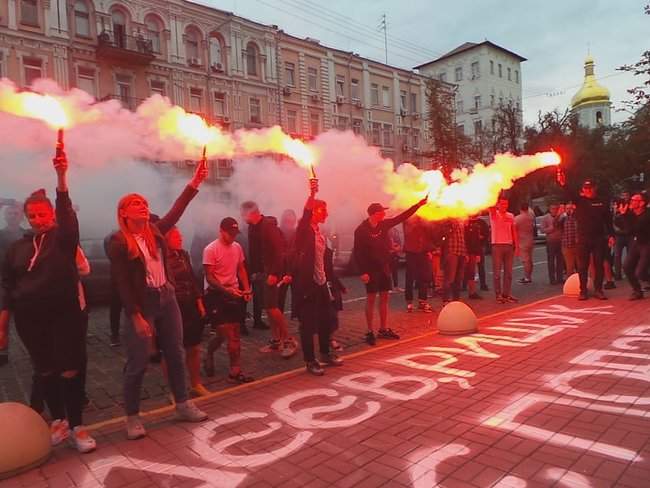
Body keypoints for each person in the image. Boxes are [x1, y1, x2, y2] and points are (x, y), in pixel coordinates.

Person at [0, 150, 96, 453]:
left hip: (65, 315)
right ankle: (58, 421)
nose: (38, 220)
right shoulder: (16, 248)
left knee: (69, 368)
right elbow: (6, 285)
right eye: (33, 216)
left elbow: (68, 220)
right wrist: (3, 322)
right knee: (45, 370)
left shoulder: (63, 240)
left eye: (43, 214)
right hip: (30, 319)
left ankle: (78, 425)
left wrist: (61, 178)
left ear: (52, 215)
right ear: (27, 218)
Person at [107, 160, 209, 441]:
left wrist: (195, 182)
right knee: (137, 361)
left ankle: (183, 404)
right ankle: (132, 417)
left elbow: (177, 209)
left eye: (144, 202)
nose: (142, 205)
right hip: (143, 304)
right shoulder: (118, 241)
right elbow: (122, 283)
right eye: (135, 203)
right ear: (123, 213)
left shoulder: (156, 232)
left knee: (175, 353)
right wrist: (136, 315)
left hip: (167, 297)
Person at [354, 197, 427, 345]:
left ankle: (383, 328)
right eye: (381, 212)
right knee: (371, 299)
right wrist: (362, 272)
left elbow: (402, 217)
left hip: (383, 267)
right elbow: (357, 252)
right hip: (370, 269)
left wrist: (418, 205)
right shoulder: (361, 230)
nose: (384, 214)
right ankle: (369, 331)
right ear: (374, 214)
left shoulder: (384, 225)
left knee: (384, 298)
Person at [292, 179, 343, 375]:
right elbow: (305, 217)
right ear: (314, 211)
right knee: (308, 324)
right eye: (323, 210)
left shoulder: (319, 233)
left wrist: (333, 282)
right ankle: (310, 360)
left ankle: (324, 354)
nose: (327, 214)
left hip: (321, 284)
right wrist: (312, 195)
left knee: (326, 320)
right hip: (307, 285)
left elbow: (323, 261)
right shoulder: (304, 231)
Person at [202, 218, 255, 383]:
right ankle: (209, 353)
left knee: (235, 333)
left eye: (235, 234)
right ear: (221, 231)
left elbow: (241, 269)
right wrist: (226, 290)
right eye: (229, 233)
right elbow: (209, 277)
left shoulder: (237, 247)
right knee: (222, 333)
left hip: (233, 292)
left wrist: (246, 288)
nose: (233, 237)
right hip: (216, 294)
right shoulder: (211, 249)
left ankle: (235, 371)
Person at [240, 201, 295, 358]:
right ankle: (276, 340)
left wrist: (274, 273)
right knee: (268, 307)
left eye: (244, 214)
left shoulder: (268, 226)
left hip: (272, 273)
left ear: (252, 213)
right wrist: (254, 272)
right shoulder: (253, 228)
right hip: (262, 273)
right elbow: (255, 252)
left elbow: (278, 251)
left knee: (272, 307)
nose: (242, 217)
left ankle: (289, 340)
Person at [163, 226, 209, 397]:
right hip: (173, 305)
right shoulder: (161, 258)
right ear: (166, 238)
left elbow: (192, 278)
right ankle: (175, 392)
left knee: (194, 347)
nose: (180, 238)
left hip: (190, 304)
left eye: (180, 234)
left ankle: (196, 384)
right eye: (176, 235)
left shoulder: (183, 254)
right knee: (172, 351)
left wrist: (199, 302)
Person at [557, 173, 615, 300]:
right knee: (582, 266)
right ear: (583, 190)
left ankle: (598, 290)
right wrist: (563, 183)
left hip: (599, 238)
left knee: (598, 264)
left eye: (590, 188)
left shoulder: (602, 201)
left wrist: (611, 235)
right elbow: (569, 193)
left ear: (595, 188)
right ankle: (583, 291)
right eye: (585, 188)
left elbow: (608, 220)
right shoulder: (580, 200)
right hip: (583, 238)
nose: (587, 190)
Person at [0, 202, 27, 366]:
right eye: (9, 213)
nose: (12, 216)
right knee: (3, 319)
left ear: (20, 216)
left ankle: (36, 349)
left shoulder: (26, 235)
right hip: (3, 281)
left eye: (15, 213)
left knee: (28, 318)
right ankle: (2, 351)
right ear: (4, 216)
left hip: (23, 281)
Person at [618, 193, 650, 300]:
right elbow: (622, 225)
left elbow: (631, 229)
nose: (631, 201)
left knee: (640, 272)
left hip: (646, 244)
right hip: (636, 243)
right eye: (631, 199)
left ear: (642, 203)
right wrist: (622, 215)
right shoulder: (632, 214)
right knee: (627, 267)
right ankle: (637, 290)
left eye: (634, 200)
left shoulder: (646, 215)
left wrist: (624, 215)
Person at [488, 196, 519, 303]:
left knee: (509, 272)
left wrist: (517, 246)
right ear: (497, 205)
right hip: (497, 245)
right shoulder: (494, 214)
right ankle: (498, 295)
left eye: (506, 204)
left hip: (509, 246)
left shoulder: (511, 216)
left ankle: (506, 294)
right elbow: (490, 206)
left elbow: (514, 231)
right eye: (502, 204)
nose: (504, 206)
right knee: (497, 273)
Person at [403, 216, 433, 313]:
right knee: (410, 277)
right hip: (411, 251)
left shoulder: (424, 218)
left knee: (424, 277)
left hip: (423, 251)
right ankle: (409, 302)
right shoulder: (408, 218)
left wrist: (428, 250)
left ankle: (422, 301)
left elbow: (427, 234)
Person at [278, 209, 297, 315]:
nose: (290, 220)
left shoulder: (296, 232)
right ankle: (279, 318)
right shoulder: (279, 231)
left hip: (294, 268)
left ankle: (296, 315)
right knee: (280, 297)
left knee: (296, 296)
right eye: (288, 217)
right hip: (283, 268)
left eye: (292, 217)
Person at [540, 203, 564, 284]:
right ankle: (552, 279)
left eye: (556, 209)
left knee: (560, 260)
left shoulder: (561, 217)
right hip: (551, 241)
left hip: (560, 241)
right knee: (551, 261)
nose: (554, 210)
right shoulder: (545, 217)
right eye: (552, 209)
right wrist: (551, 228)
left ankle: (560, 278)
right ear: (550, 209)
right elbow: (542, 229)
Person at [464, 215, 487, 299]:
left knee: (471, 272)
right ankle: (466, 291)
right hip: (465, 251)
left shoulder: (476, 225)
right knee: (466, 272)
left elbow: (476, 240)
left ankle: (472, 291)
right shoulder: (466, 225)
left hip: (471, 251)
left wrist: (477, 253)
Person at [514, 203, 535, 284]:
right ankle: (529, 276)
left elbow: (514, 229)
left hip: (522, 241)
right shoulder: (531, 217)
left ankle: (527, 278)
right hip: (530, 239)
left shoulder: (517, 218)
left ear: (520, 209)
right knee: (530, 260)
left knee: (525, 261)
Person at [614, 192, 631, 280]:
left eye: (626, 195)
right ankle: (617, 274)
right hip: (619, 234)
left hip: (629, 234)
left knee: (631, 255)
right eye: (623, 195)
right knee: (617, 255)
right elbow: (613, 220)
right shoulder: (617, 206)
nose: (624, 197)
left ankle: (630, 273)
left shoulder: (631, 206)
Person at [559, 201, 578, 275]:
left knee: (580, 266)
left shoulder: (577, 217)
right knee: (569, 267)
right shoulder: (563, 218)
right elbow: (556, 224)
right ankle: (570, 283)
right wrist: (560, 214)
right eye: (567, 208)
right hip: (566, 245)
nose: (569, 210)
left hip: (577, 244)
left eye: (571, 208)